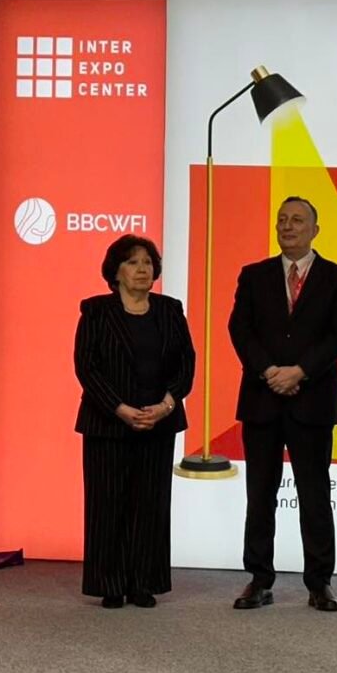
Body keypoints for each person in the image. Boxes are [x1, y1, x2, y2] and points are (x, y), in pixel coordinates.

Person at [228, 196, 337, 611]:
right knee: (259, 493)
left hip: (311, 400)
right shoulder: (254, 275)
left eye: (298, 220)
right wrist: (269, 371)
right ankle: (258, 579)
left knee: (314, 494)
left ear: (315, 229)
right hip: (262, 398)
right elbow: (240, 329)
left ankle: (319, 582)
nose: (288, 226)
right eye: (282, 219)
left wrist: (299, 372)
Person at [74, 234, 195, 608]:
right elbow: (87, 368)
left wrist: (166, 404)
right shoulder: (96, 311)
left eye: (147, 263)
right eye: (132, 262)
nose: (142, 269)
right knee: (107, 503)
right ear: (115, 272)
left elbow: (186, 364)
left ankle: (143, 582)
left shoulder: (170, 310)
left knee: (150, 503)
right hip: (108, 422)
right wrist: (120, 408)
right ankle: (110, 583)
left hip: (160, 420)